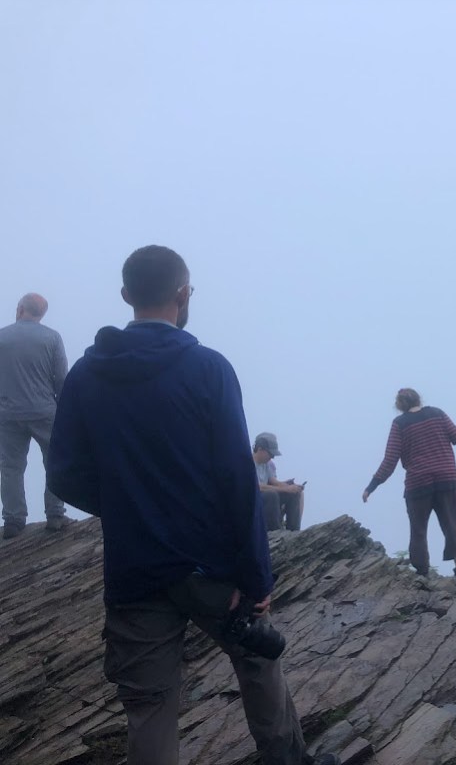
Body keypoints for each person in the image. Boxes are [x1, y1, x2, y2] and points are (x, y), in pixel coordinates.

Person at [46, 245, 337, 765]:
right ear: (184, 294)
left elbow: (65, 475)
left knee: (150, 707)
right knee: (256, 665)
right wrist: (256, 578)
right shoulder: (207, 368)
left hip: (134, 570)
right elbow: (235, 479)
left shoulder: (87, 376)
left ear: (125, 295)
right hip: (212, 568)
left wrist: (127, 507)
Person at [362, 388, 456, 586]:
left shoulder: (400, 424)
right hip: (446, 480)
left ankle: (422, 574)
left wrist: (372, 486)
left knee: (418, 530)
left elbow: (390, 460)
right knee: (452, 525)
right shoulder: (437, 414)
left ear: (399, 405)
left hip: (418, 484)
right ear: (419, 399)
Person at [0, 292, 70, 538]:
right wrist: (64, 410)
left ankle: (13, 520)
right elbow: (61, 378)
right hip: (44, 412)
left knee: (11, 466)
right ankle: (55, 515)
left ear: (20, 308)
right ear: (41, 314)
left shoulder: (2, 337)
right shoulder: (51, 338)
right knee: (52, 461)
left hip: (8, 412)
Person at [254, 432, 305, 531]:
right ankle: (275, 532)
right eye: (270, 453)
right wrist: (285, 489)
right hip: (253, 501)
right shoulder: (247, 463)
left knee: (293, 494)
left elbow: (274, 482)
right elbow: (257, 486)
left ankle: (294, 531)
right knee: (271, 495)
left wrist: (291, 487)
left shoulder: (266, 464)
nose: (272, 457)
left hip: (266, 499)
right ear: (260, 449)